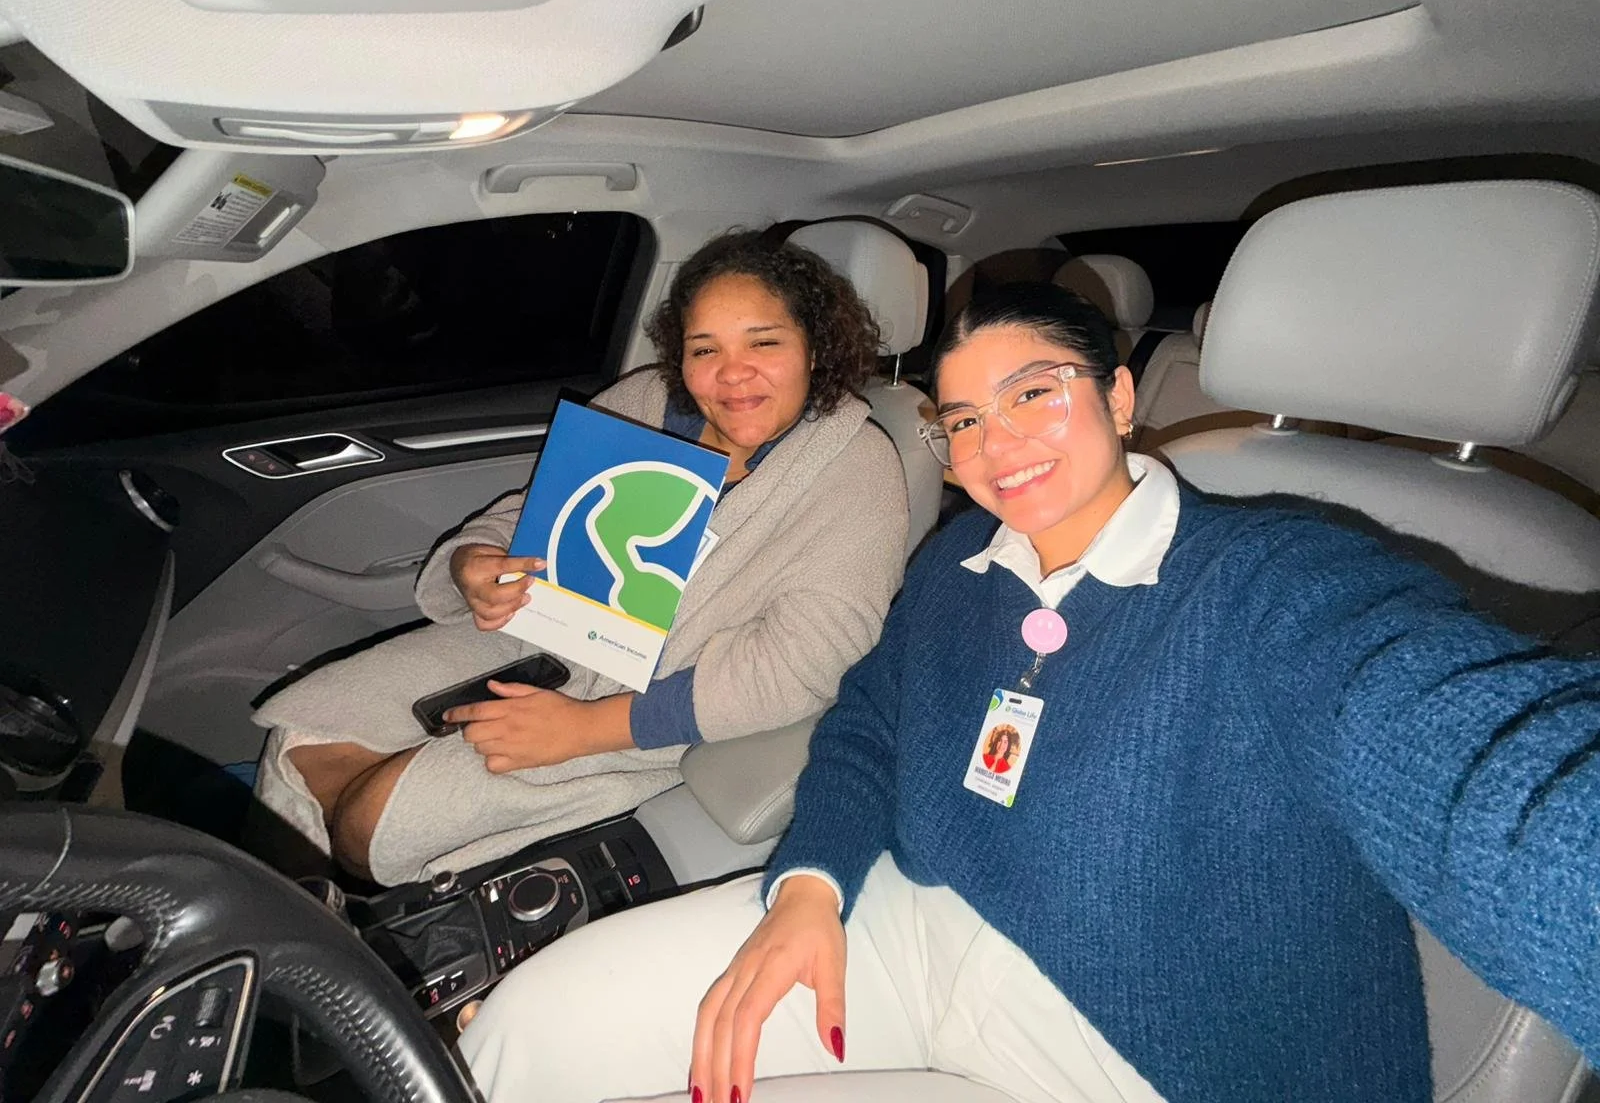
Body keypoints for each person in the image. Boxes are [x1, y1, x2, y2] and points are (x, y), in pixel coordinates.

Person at [459, 282, 1600, 1103]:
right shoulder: (960, 570)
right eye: (963, 420)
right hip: (911, 926)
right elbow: (865, 727)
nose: (996, 445)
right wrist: (811, 881)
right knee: (529, 1030)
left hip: (1149, 1047)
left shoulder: (1276, 579)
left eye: (1033, 395)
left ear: (1115, 397)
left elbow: (1490, 774)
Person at [251, 232, 909, 885]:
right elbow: (542, 508)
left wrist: (587, 729)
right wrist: (474, 562)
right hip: (554, 633)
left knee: (372, 821)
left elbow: (801, 666)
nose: (731, 373)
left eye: (764, 342)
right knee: (308, 737)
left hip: (663, 703)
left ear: (814, 348)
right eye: (704, 348)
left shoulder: (857, 468)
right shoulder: (651, 400)